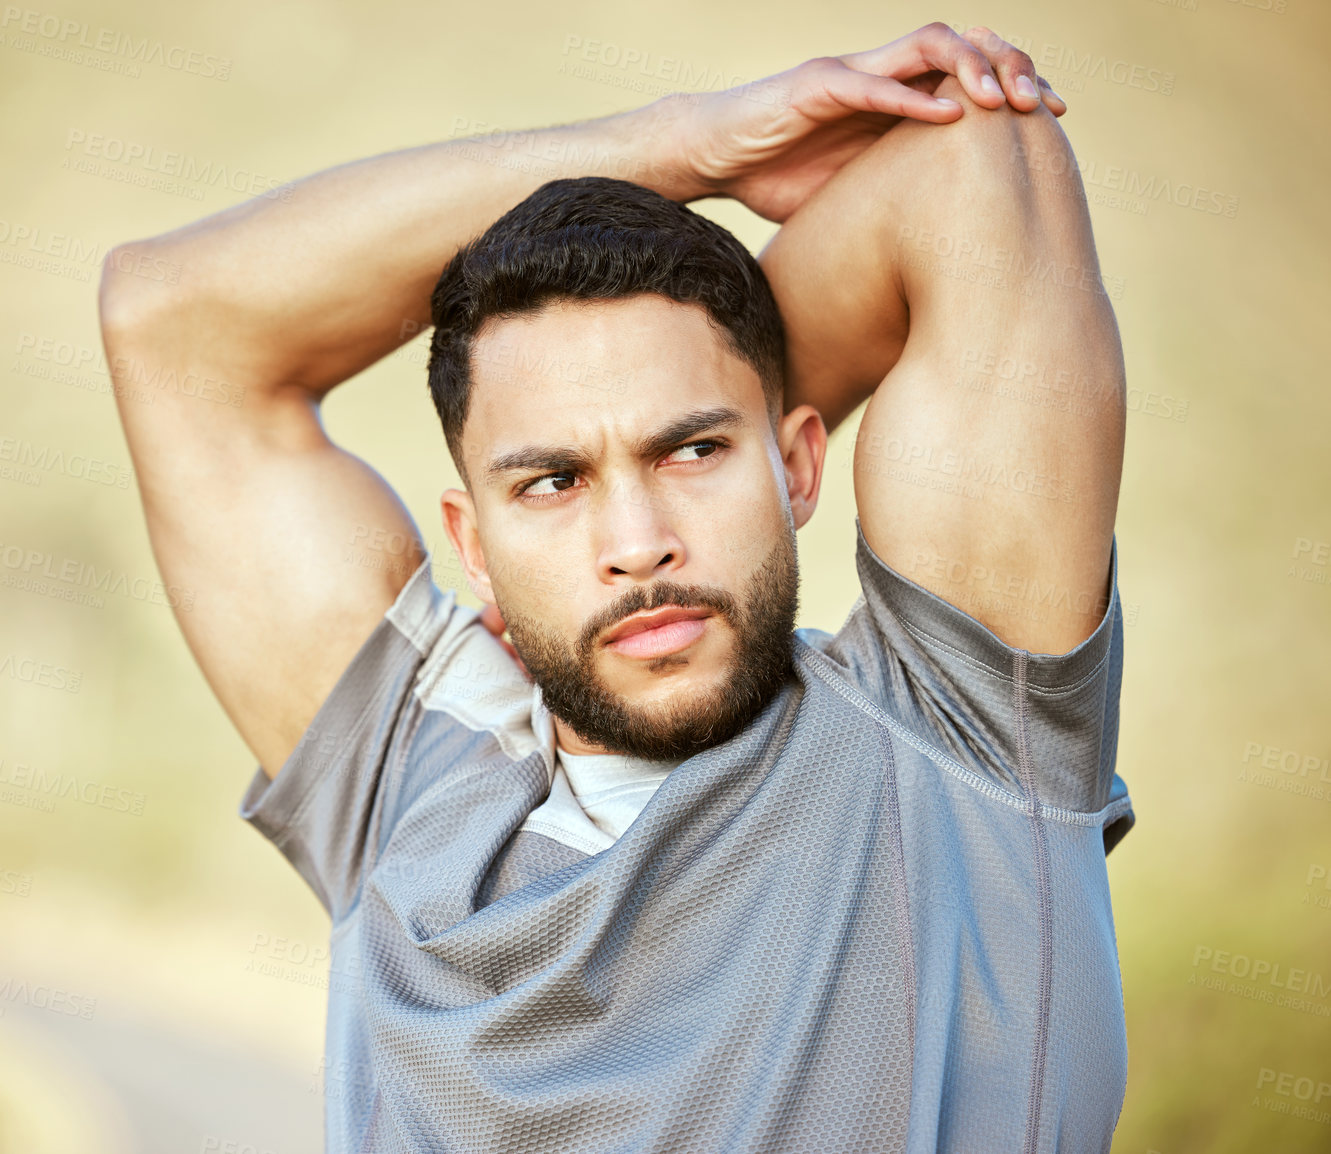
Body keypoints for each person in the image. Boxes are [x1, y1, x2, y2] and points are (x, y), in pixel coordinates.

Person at [98, 22, 1133, 1153]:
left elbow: (973, 158)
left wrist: (712, 351)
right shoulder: (405, 778)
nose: (637, 543)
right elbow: (169, 321)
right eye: (552, 481)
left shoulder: (960, 733)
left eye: (693, 452)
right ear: (475, 543)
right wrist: (672, 146)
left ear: (797, 461)